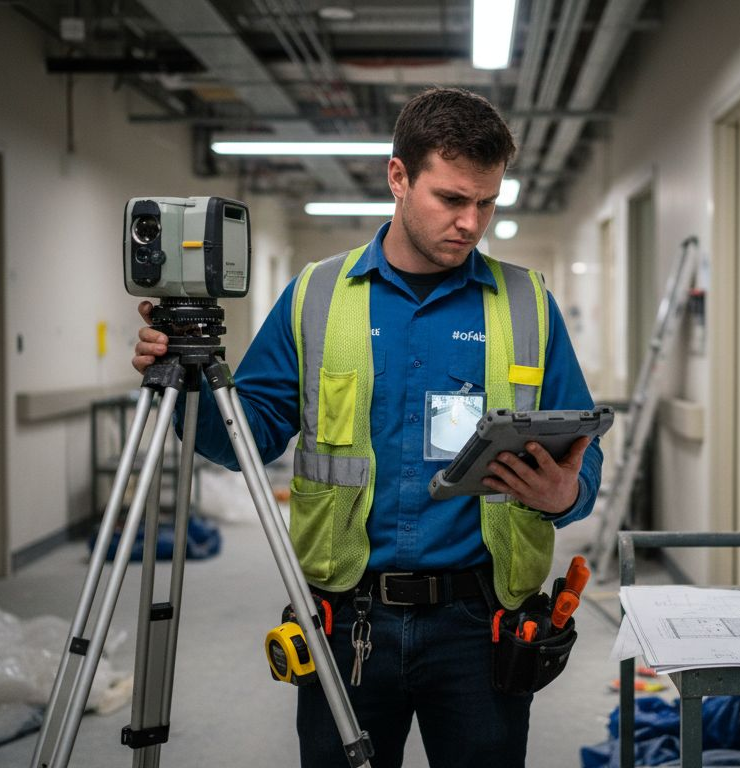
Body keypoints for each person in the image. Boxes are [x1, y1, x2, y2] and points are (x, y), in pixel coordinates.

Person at [132, 87, 603, 768]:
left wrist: (567, 495)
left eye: (487, 203)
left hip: (481, 625)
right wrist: (187, 386)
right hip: (345, 618)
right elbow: (246, 440)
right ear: (398, 177)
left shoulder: (528, 304)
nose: (471, 222)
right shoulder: (316, 296)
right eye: (451, 198)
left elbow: (582, 453)